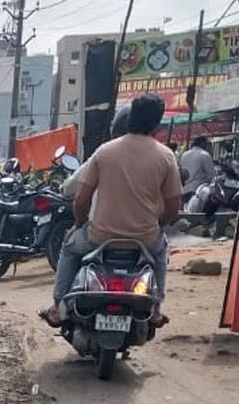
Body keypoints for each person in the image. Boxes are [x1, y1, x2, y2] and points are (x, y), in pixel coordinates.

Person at [43, 93, 180, 328]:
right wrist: (158, 225)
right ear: (157, 124)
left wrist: (78, 224)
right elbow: (174, 208)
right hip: (145, 239)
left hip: (99, 237)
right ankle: (156, 308)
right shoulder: (166, 156)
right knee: (161, 252)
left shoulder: (104, 152)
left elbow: (81, 199)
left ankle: (58, 306)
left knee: (69, 248)